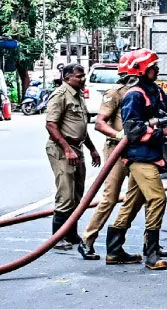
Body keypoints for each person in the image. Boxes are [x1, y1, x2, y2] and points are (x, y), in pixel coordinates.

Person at [107, 48, 167, 270]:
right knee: (158, 198)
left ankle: (114, 250)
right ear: (141, 70)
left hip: (151, 154)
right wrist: (164, 132)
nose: (157, 69)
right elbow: (132, 130)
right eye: (153, 67)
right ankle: (151, 254)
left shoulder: (154, 91)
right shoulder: (134, 95)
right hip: (140, 157)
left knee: (133, 202)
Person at [76, 52, 143, 263]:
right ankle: (87, 240)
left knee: (141, 196)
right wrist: (118, 135)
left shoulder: (144, 93)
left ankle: (123, 246)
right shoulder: (115, 93)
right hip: (117, 150)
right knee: (110, 197)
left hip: (139, 151)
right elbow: (99, 123)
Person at [45, 63, 101, 250]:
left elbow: (80, 128)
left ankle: (70, 233)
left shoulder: (77, 95)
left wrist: (92, 149)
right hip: (62, 149)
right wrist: (67, 149)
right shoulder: (61, 95)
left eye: (83, 75)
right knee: (66, 194)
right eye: (78, 76)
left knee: (77, 195)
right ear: (67, 77)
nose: (83, 78)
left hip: (77, 148)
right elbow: (51, 125)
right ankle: (57, 238)